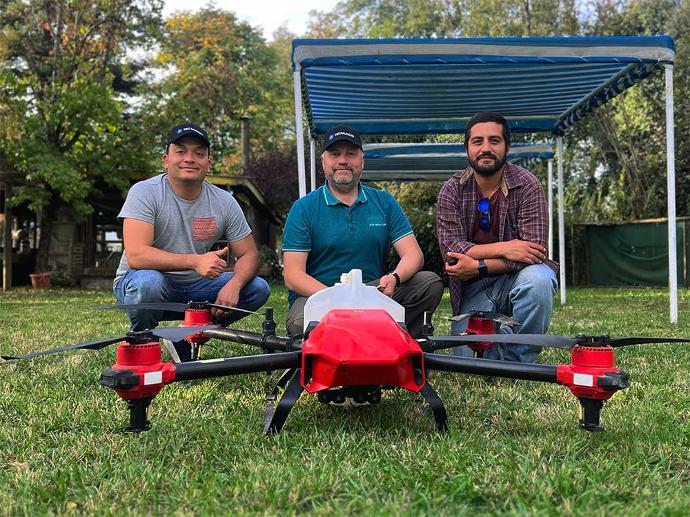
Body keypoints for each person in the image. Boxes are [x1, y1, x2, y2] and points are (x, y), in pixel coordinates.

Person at [113, 123, 270, 361]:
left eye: (199, 153)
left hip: (196, 288)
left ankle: (185, 335)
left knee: (257, 289)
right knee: (148, 283)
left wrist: (235, 284)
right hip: (140, 283)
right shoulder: (144, 192)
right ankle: (143, 339)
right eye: (181, 151)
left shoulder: (224, 202)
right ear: (166, 160)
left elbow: (249, 255)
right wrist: (195, 261)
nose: (190, 159)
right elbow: (137, 255)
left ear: (208, 164)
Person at [282, 125, 444, 338]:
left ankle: (402, 349)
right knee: (301, 321)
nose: (343, 160)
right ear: (323, 162)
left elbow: (414, 254)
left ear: (362, 161)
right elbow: (293, 275)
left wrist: (394, 278)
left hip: (374, 292)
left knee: (429, 284)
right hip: (319, 295)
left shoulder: (384, 202)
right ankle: (362, 342)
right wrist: (338, 298)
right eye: (335, 154)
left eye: (351, 154)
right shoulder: (303, 208)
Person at [436, 112, 559, 363]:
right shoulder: (451, 189)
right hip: (472, 287)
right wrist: (507, 247)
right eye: (477, 141)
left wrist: (478, 265)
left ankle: (517, 361)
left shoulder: (527, 185)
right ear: (467, 148)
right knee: (470, 362)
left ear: (507, 146)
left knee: (539, 279)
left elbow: (534, 253)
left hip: (517, 278)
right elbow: (451, 249)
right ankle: (503, 337)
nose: (486, 148)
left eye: (494, 140)